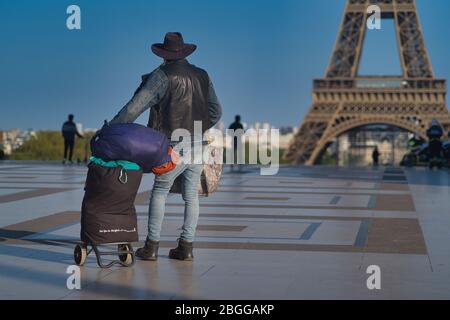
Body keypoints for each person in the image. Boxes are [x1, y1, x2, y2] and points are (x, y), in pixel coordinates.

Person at [109, 32, 222, 261]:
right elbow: (216, 111)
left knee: (160, 191)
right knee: (191, 195)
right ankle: (186, 246)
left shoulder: (161, 76)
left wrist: (112, 128)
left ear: (164, 54)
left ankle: (151, 247)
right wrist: (198, 129)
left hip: (172, 145)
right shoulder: (202, 75)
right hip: (198, 143)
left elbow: (134, 108)